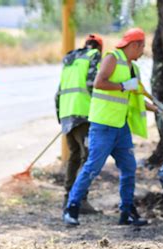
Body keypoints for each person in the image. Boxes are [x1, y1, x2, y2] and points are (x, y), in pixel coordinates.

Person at [62, 28, 159, 226]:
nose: (143, 51)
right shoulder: (112, 58)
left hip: (121, 127)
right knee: (92, 167)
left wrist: (155, 109)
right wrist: (124, 85)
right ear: (135, 45)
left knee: (129, 168)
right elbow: (99, 83)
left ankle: (127, 212)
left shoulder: (134, 68)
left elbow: (135, 98)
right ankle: (71, 208)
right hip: (103, 125)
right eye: (142, 47)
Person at [55, 33, 103, 214]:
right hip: (84, 114)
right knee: (88, 157)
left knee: (74, 156)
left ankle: (68, 198)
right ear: (99, 47)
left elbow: (58, 92)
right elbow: (93, 84)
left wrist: (62, 116)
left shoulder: (69, 60)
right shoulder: (94, 56)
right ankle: (80, 199)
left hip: (67, 113)